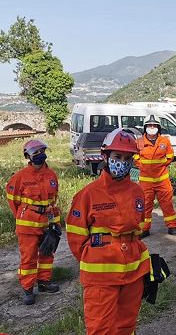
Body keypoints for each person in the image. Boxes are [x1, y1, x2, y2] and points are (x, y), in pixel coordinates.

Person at [66, 128, 151, 334]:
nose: (122, 162)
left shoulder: (137, 192)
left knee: (127, 326)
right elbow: (76, 239)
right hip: (101, 277)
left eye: (127, 157)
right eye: (117, 156)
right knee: (101, 329)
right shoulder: (88, 195)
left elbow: (138, 230)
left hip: (133, 272)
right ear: (105, 156)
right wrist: (97, 256)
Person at [6, 139, 61, 305]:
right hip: (27, 225)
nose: (40, 155)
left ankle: (44, 282)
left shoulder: (51, 175)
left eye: (42, 151)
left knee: (47, 253)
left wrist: (54, 223)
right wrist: (24, 215)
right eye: (35, 152)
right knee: (28, 258)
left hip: (47, 221)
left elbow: (53, 201)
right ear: (28, 156)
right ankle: (28, 287)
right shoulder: (20, 177)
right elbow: (12, 200)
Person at [134, 114, 176, 238]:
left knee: (167, 204)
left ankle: (172, 227)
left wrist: (160, 166)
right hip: (145, 181)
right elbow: (134, 156)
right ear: (145, 127)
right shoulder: (138, 142)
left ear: (158, 127)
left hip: (162, 180)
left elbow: (170, 156)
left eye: (154, 125)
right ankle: (145, 229)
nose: (152, 127)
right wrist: (143, 166)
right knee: (145, 206)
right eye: (149, 125)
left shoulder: (164, 141)